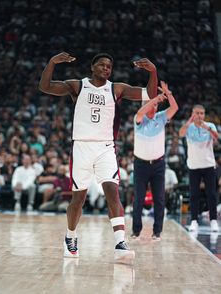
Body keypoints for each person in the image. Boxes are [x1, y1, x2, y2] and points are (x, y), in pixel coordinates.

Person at [39, 51, 158, 263]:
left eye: (109, 66)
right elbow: (45, 87)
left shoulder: (116, 88)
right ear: (93, 67)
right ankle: (71, 236)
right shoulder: (78, 85)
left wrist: (153, 72)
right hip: (81, 148)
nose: (106, 68)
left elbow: (148, 94)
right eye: (102, 65)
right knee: (78, 199)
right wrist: (52, 62)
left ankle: (120, 243)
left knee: (112, 191)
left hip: (105, 148)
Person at [131, 81, 178, 240]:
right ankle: (136, 231)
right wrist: (155, 99)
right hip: (141, 164)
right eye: (153, 104)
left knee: (159, 199)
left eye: (157, 104)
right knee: (138, 199)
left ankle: (157, 232)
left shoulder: (161, 117)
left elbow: (174, 108)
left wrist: (167, 93)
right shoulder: (138, 119)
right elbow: (140, 112)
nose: (156, 106)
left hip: (158, 164)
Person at [179, 104, 219, 232]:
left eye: (202, 113)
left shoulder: (210, 126)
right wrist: (190, 121)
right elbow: (180, 134)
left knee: (211, 194)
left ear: (204, 114)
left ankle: (213, 221)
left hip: (208, 165)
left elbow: (217, 138)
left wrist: (207, 128)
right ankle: (194, 221)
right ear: (192, 113)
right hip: (194, 166)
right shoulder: (188, 127)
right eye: (197, 113)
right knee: (194, 195)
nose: (200, 116)